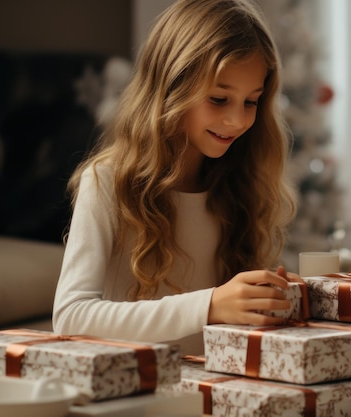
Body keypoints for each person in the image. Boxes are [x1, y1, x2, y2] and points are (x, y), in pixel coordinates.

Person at [52, 0, 298, 355]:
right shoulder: (107, 182)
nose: (237, 120)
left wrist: (269, 299)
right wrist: (210, 305)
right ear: (171, 87)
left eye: (251, 102)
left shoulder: (238, 186)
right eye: (218, 99)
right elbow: (70, 317)